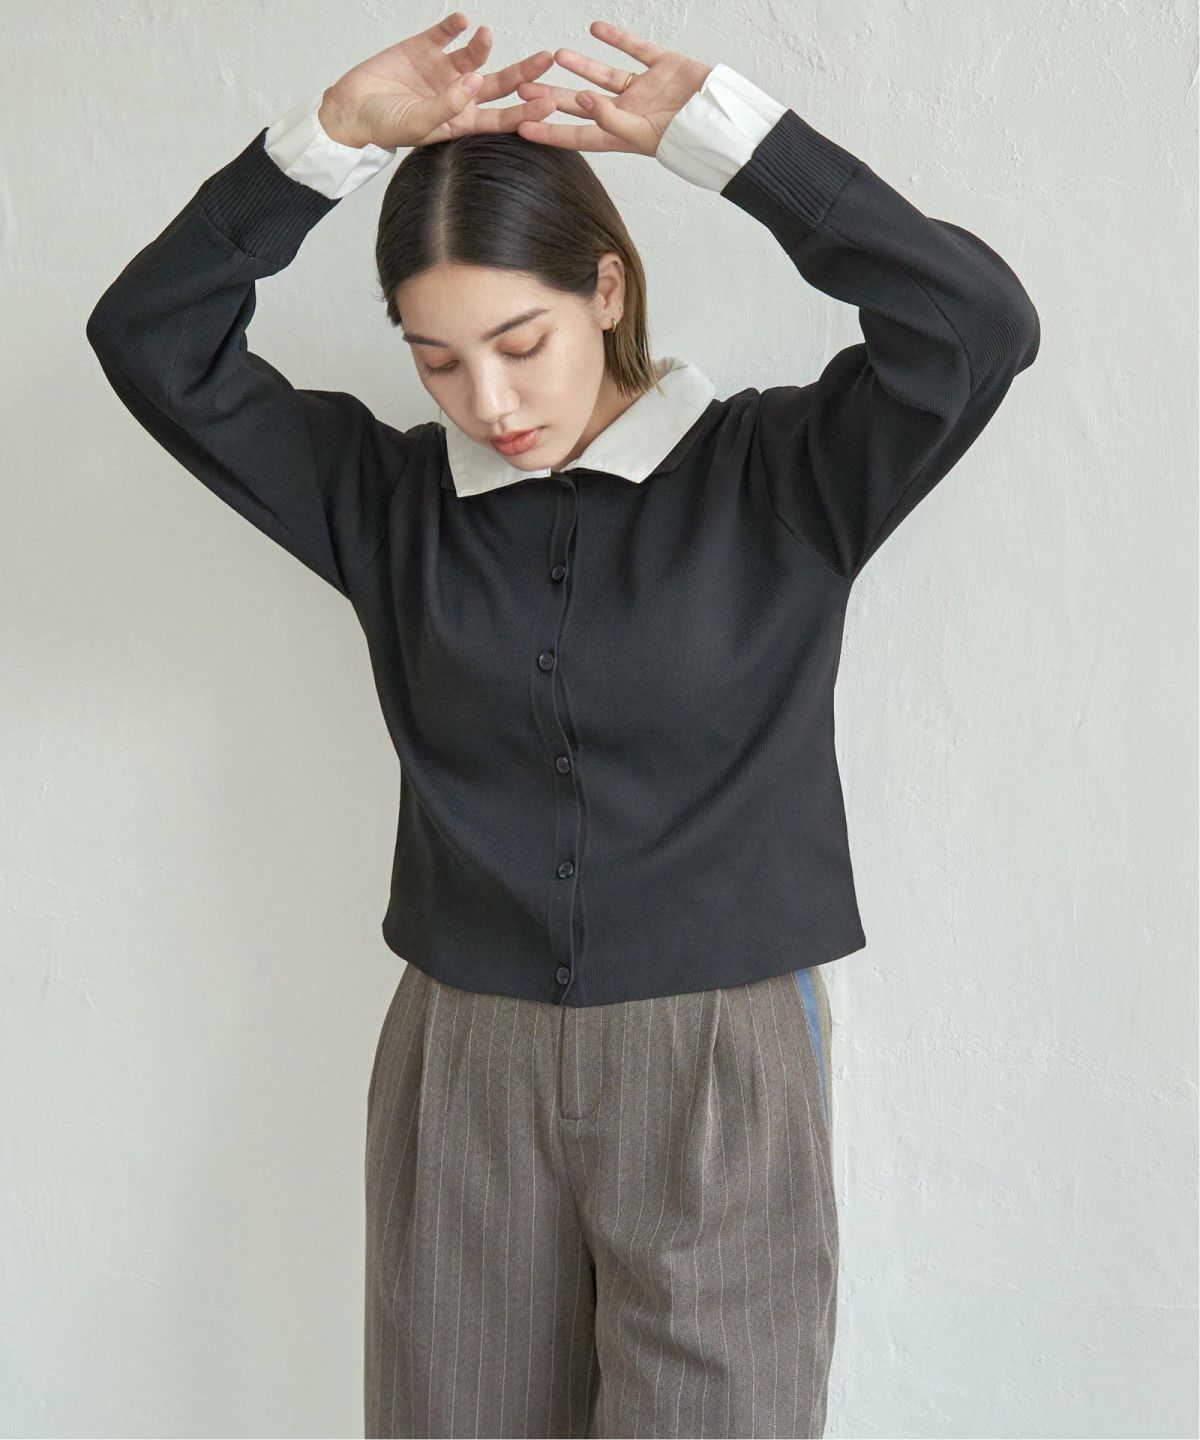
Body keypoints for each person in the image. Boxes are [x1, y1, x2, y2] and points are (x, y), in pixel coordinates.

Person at [86, 12, 1040, 1438]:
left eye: (519, 342)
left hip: (715, 1057)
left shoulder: (785, 479)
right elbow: (150, 339)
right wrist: (324, 145)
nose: (490, 400)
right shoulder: (387, 506)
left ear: (606, 287)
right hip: (464, 1055)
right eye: (437, 361)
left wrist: (738, 145)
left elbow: (978, 328)